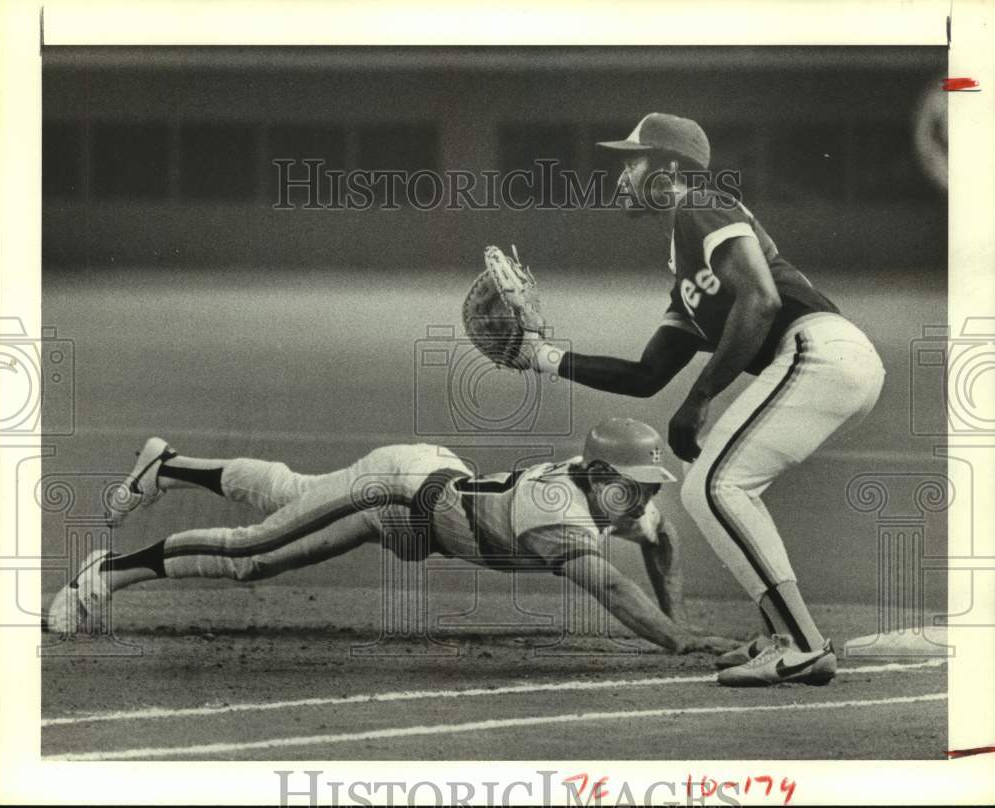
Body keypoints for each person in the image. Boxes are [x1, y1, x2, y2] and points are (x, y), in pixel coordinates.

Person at [522, 113, 886, 686]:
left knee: (716, 486)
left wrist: (701, 399)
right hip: (830, 363)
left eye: (632, 161)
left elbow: (761, 300)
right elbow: (646, 375)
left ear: (669, 168)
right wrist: (538, 355)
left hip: (822, 351)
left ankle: (804, 644)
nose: (621, 175)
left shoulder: (702, 202)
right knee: (718, 489)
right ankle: (782, 634)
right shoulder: (688, 274)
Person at [46, 417, 737, 656]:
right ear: (594, 472)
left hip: (425, 504)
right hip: (400, 490)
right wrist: (679, 639)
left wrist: (676, 615)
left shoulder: (610, 497)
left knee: (290, 493)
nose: (645, 496)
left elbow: (662, 538)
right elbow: (612, 586)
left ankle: (167, 465)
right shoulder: (561, 511)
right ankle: (105, 572)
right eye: (636, 483)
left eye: (649, 485)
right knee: (254, 554)